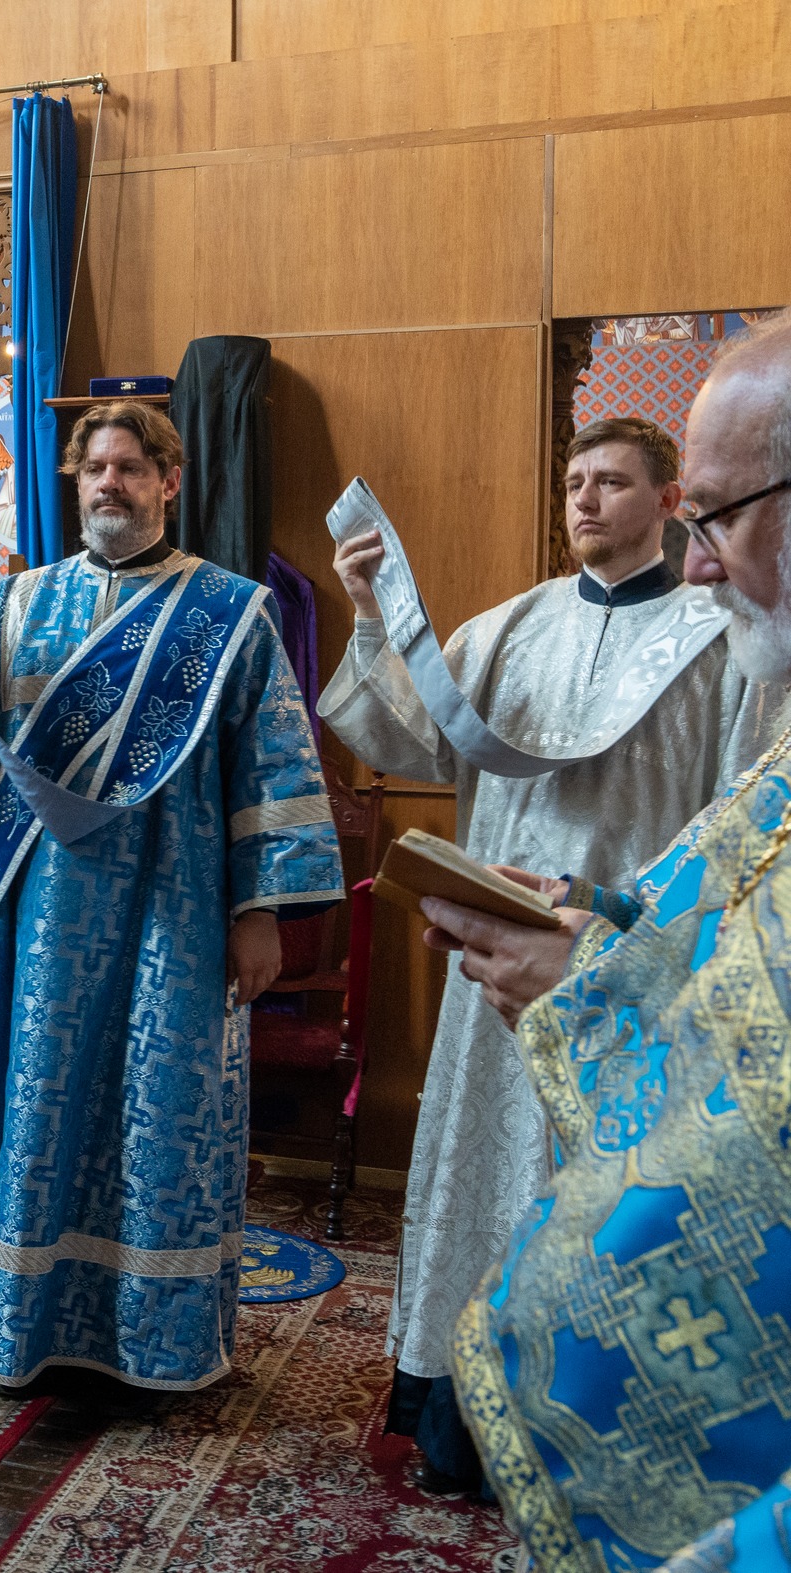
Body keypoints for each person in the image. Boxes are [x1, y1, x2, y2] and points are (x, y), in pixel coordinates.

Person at [320, 415, 769, 1491]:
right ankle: (460, 1424)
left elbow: (744, 810)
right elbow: (403, 739)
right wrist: (371, 616)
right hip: (491, 970)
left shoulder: (726, 638)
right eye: (573, 482)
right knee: (486, 1186)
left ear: (670, 503)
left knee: (600, 1203)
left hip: (629, 975)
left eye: (611, 481)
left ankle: (584, 1438)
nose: (585, 500)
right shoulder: (507, 628)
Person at [433, 315, 791, 1571]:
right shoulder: (516, 622)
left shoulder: (726, 654)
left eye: (715, 518)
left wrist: (596, 984)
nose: (698, 566)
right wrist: (611, 921)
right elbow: (734, 899)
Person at [0, 401, 343, 1390]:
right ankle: (19, 1324)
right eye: (94, 467)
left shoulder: (227, 610)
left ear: (167, 481)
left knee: (160, 1111)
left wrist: (259, 911)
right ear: (75, 481)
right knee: (39, 1102)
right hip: (43, 913)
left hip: (174, 906)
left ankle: (149, 1337)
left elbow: (271, 760)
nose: (109, 483)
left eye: (130, 467)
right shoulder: (20, 604)